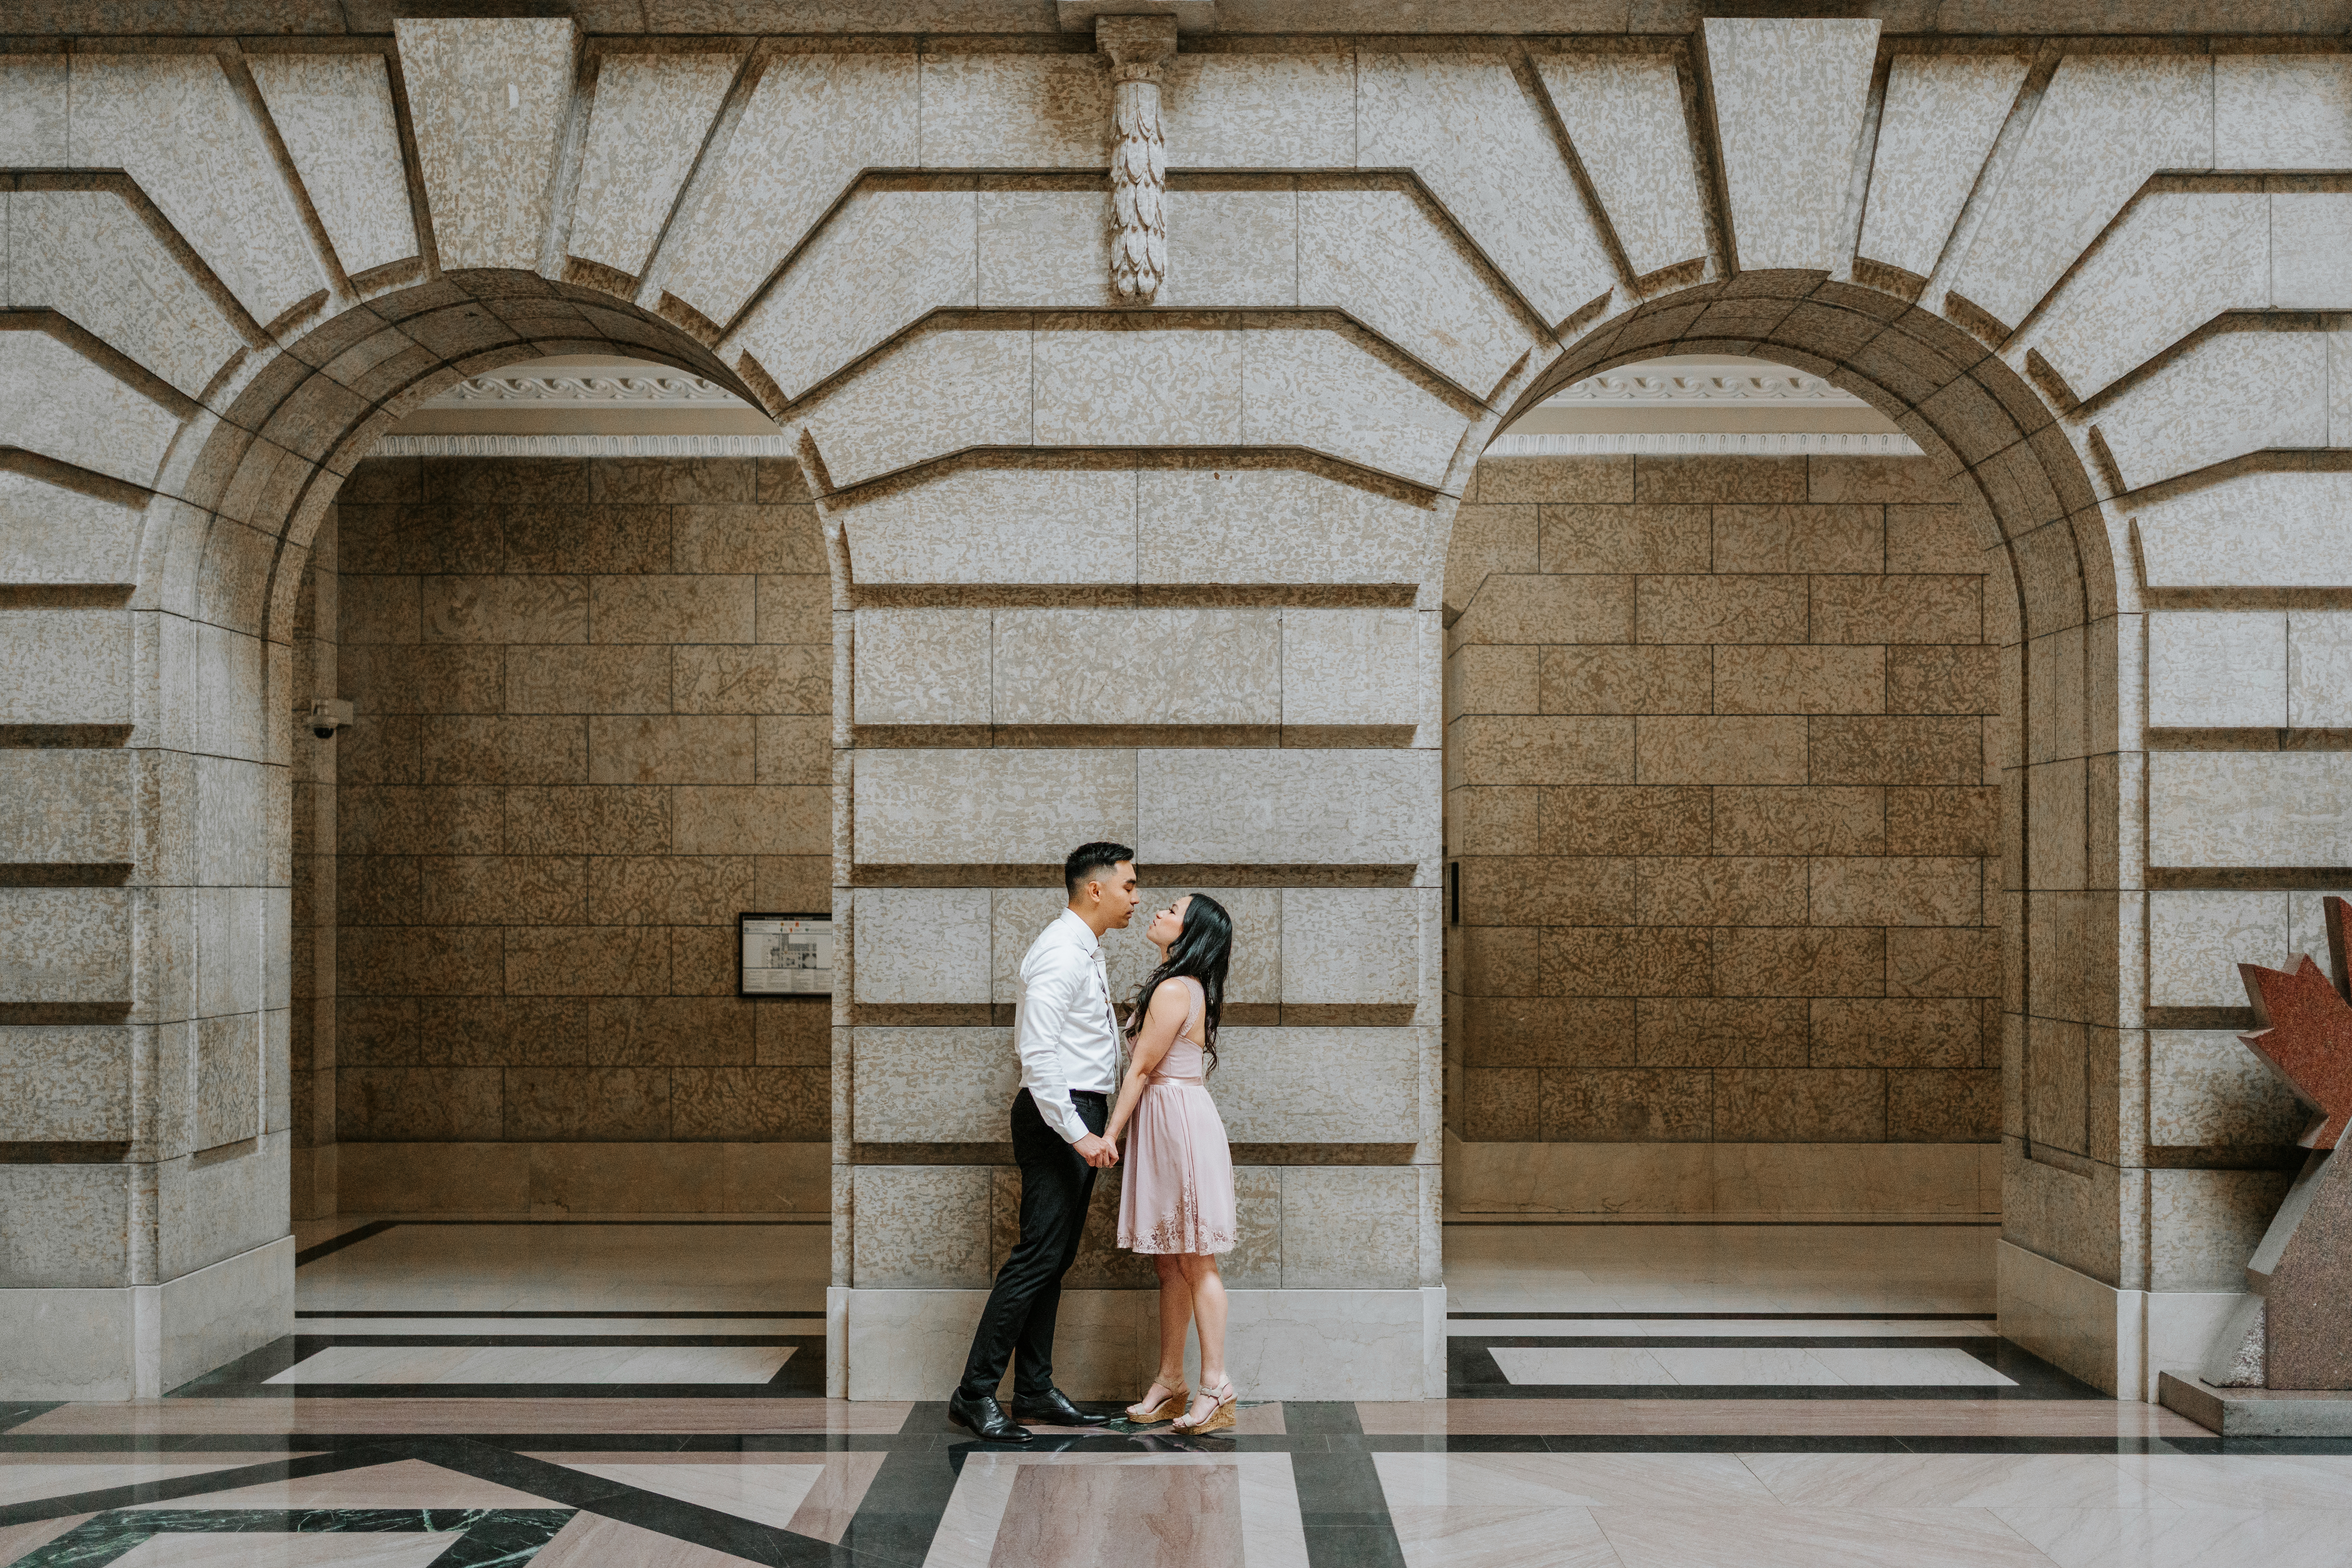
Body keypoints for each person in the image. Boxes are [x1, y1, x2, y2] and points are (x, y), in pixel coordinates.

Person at [947, 841, 1140, 1442]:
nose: (1137, 897)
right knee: (1035, 1258)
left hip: (1076, 1111)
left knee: (1051, 1259)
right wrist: (1079, 1133)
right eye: (1129, 886)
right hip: (1059, 1116)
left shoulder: (1083, 949)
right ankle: (974, 1393)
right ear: (1095, 889)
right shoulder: (1060, 952)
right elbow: (1038, 1055)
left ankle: (1033, 1390)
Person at [1105, 892, 1239, 1434]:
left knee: (1196, 1258)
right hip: (1168, 1120)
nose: (1157, 912)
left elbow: (1139, 1070)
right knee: (1170, 1261)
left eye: (1171, 910)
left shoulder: (1174, 988)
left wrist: (1107, 1138)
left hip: (1176, 1121)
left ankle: (1215, 1384)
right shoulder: (1178, 985)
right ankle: (1170, 1380)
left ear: (1189, 933)